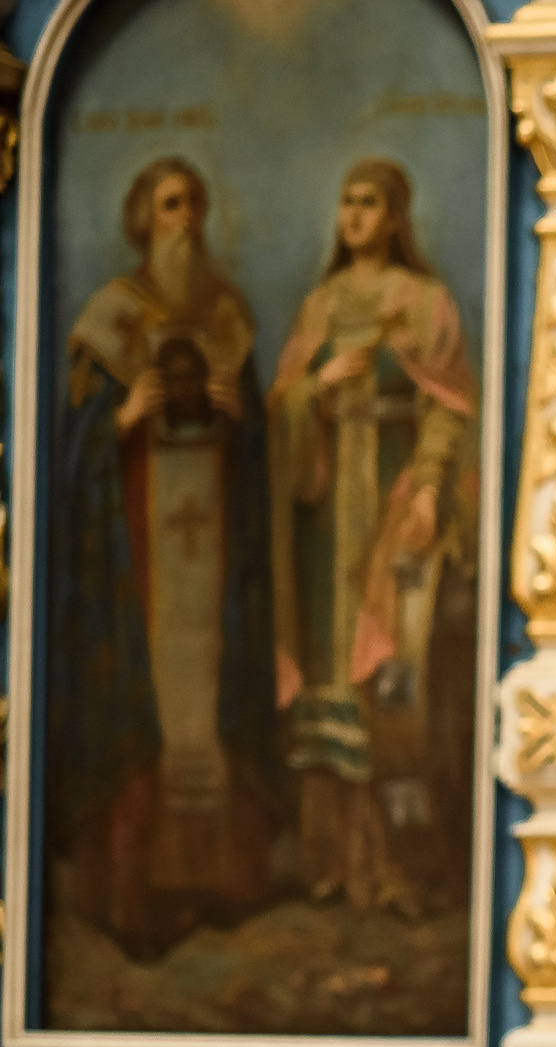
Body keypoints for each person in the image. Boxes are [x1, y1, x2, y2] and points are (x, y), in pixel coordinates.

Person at [48, 156, 278, 961]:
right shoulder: (107, 322)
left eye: (195, 207)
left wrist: (240, 417)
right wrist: (119, 423)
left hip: (213, 559)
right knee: (146, 699)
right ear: (141, 218)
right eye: (171, 206)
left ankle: (216, 882)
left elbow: (259, 458)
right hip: (137, 561)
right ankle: (135, 886)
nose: (186, 221)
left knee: (210, 701)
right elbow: (69, 458)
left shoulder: (228, 321)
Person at [268, 158, 479, 912]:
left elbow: (451, 406)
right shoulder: (322, 304)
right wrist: (314, 390)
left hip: (392, 509)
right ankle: (330, 864)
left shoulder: (423, 303)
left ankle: (399, 865)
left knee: (394, 683)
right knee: (330, 682)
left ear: (395, 217)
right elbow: (283, 403)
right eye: (346, 202)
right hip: (327, 522)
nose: (354, 215)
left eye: (369, 203)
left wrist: (427, 487)